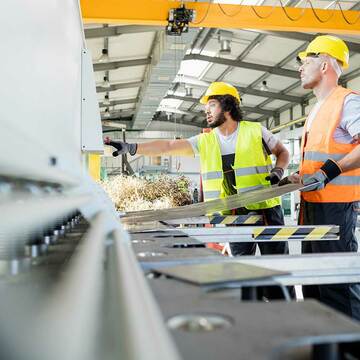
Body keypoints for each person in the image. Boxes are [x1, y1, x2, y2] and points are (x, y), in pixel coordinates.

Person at [105, 82, 291, 298]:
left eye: (212, 104)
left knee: (277, 268)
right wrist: (132, 147)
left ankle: (286, 309)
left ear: (228, 106)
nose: (206, 111)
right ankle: (252, 311)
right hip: (233, 215)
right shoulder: (206, 141)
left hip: (266, 210)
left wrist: (278, 171)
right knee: (242, 269)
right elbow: (168, 147)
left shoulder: (256, 131)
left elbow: (283, 152)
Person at [279, 35, 360, 320]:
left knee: (338, 286)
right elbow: (318, 158)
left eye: (306, 62)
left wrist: (330, 171)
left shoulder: (347, 102)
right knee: (314, 285)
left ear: (325, 65)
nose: (300, 68)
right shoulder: (315, 110)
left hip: (336, 209)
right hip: (311, 207)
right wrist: (298, 177)